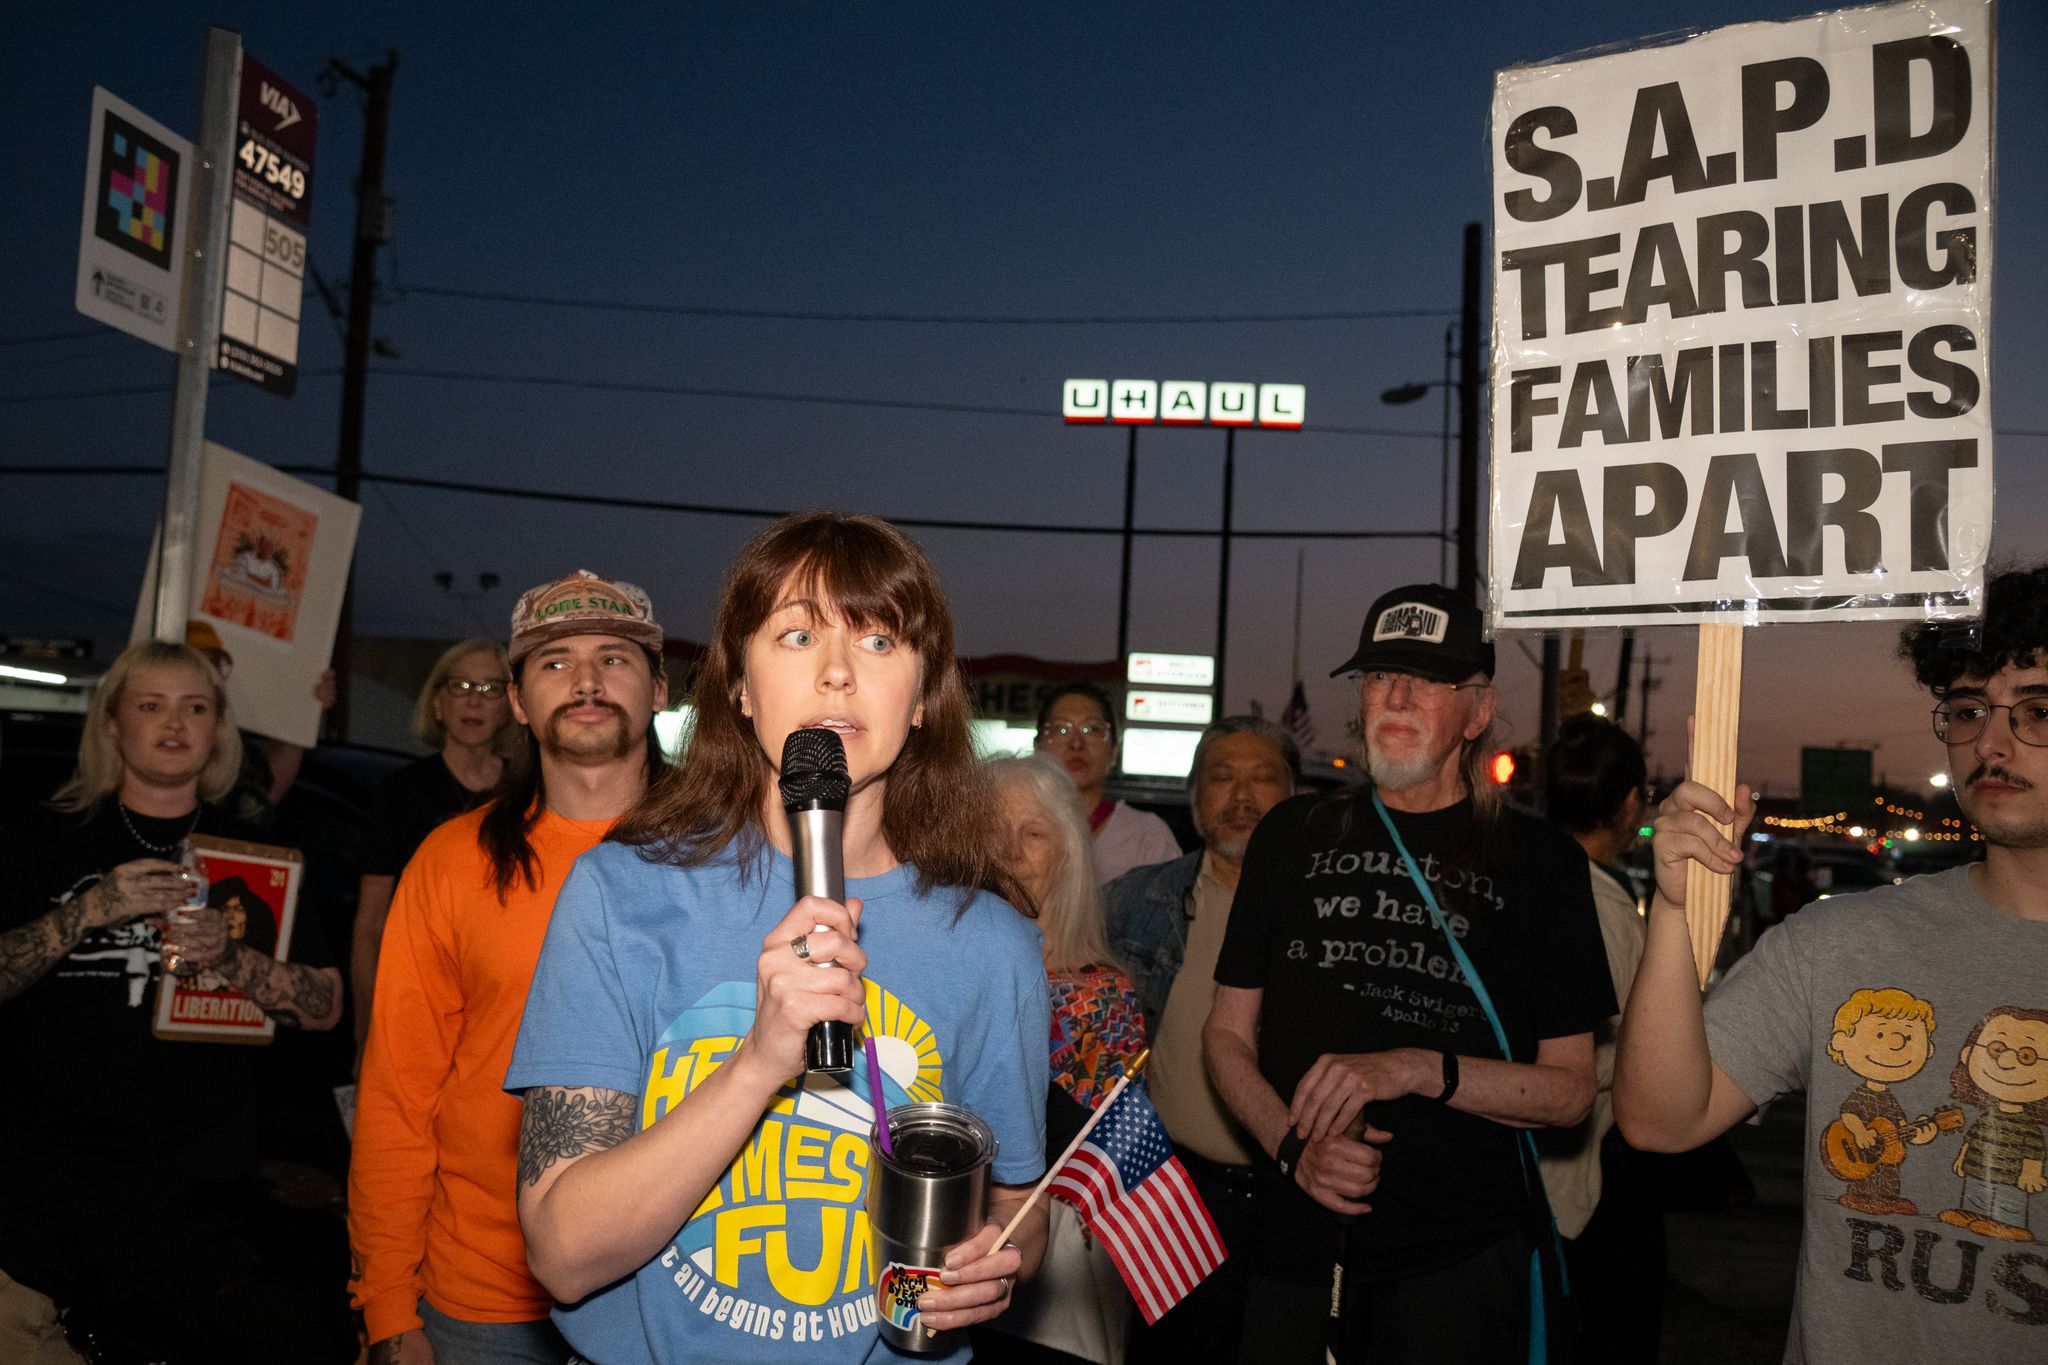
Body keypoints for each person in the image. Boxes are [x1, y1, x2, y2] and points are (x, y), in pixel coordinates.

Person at [504, 511, 1052, 1364]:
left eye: (878, 641)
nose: (835, 673)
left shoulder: (989, 942)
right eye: (797, 635)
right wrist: (760, 1059)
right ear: (741, 687)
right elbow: (564, 1255)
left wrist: (975, 1277)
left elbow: (1013, 1208)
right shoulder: (620, 895)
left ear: (921, 701)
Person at [1615, 563, 2048, 1362]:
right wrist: (1673, 913)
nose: (1992, 740)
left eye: (2037, 710)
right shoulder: (1840, 942)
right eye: (1968, 709)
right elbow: (1659, 1119)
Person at [1204, 583, 1611, 1365]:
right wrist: (1294, 1150)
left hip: (1456, 1259)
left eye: (1426, 680)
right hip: (1295, 1245)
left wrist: (1418, 1068)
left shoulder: (1542, 863)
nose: (1394, 696)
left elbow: (1570, 1092)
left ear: (1479, 709)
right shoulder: (1292, 832)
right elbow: (1225, 1036)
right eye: (1378, 676)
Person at [349, 572, 670, 1365]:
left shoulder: (731, 858)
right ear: (518, 700)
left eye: (615, 659)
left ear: (660, 688)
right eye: (555, 661)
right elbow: (398, 1096)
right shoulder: (453, 860)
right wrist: (388, 1309)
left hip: (675, 1298)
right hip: (484, 1303)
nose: (588, 680)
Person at [0, 639, 350, 1365]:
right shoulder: (42, 839)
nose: (174, 723)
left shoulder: (256, 854)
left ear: (220, 728)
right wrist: (89, 910)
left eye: (196, 707)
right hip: (40, 1208)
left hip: (199, 1211)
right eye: (150, 705)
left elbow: (323, 1005)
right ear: (111, 724)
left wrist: (230, 956)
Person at [1103, 715, 1299, 1363]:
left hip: (1293, 1198)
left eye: (1262, 777)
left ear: (1294, 794)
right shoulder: (1137, 901)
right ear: (1195, 798)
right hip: (1173, 1196)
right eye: (1221, 777)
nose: (1241, 795)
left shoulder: (1328, 912)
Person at [977, 752, 1146, 1365]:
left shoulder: (1103, 992)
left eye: (1034, 833)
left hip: (1061, 1264)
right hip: (947, 1244)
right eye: (993, 832)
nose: (1011, 851)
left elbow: (1113, 1157)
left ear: (1068, 853)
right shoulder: (939, 975)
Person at [1539, 715, 1664, 1365]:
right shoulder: (1604, 907)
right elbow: (1612, 1048)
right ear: (1628, 803)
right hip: (1580, 1181)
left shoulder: (1527, 880)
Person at [350, 637, 523, 1065]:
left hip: (503, 1007)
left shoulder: (528, 792)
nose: (474, 702)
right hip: (417, 997)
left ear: (509, 705)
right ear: (438, 703)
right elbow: (371, 922)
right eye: (460, 687)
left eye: (489, 689)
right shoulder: (399, 793)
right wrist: (366, 1027)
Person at [1035, 682, 1181, 883]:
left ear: (1113, 752)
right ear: (1038, 748)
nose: (1076, 743)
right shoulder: (1014, 826)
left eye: (1092, 729)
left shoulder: (1148, 836)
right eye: (1061, 729)